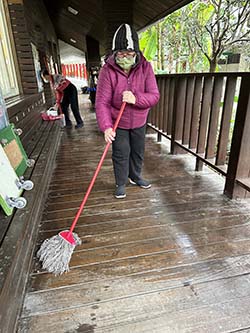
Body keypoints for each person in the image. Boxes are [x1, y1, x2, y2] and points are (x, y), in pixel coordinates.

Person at [95, 23, 160, 199]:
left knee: (138, 151)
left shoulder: (145, 67)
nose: (125, 58)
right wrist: (106, 127)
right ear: (114, 53)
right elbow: (102, 102)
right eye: (121, 54)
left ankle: (135, 176)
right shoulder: (107, 71)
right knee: (121, 152)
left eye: (130, 54)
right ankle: (120, 182)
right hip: (119, 121)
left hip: (139, 119)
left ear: (136, 54)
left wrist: (135, 99)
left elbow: (154, 96)